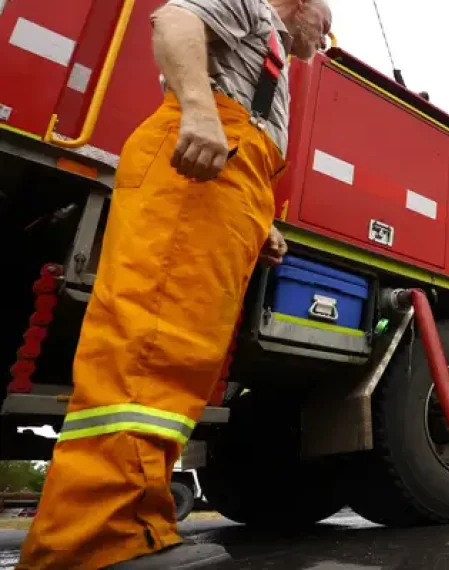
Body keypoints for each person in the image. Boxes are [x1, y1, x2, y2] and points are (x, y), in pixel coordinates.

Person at [17, 1, 332, 568]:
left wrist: (261, 219)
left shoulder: (273, 53)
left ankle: (131, 524)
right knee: (152, 344)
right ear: (301, 5)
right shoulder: (252, 7)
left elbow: (248, 132)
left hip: (232, 182)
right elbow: (175, 18)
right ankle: (97, 539)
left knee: (182, 355)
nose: (327, 39)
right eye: (326, 25)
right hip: (200, 170)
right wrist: (199, 112)